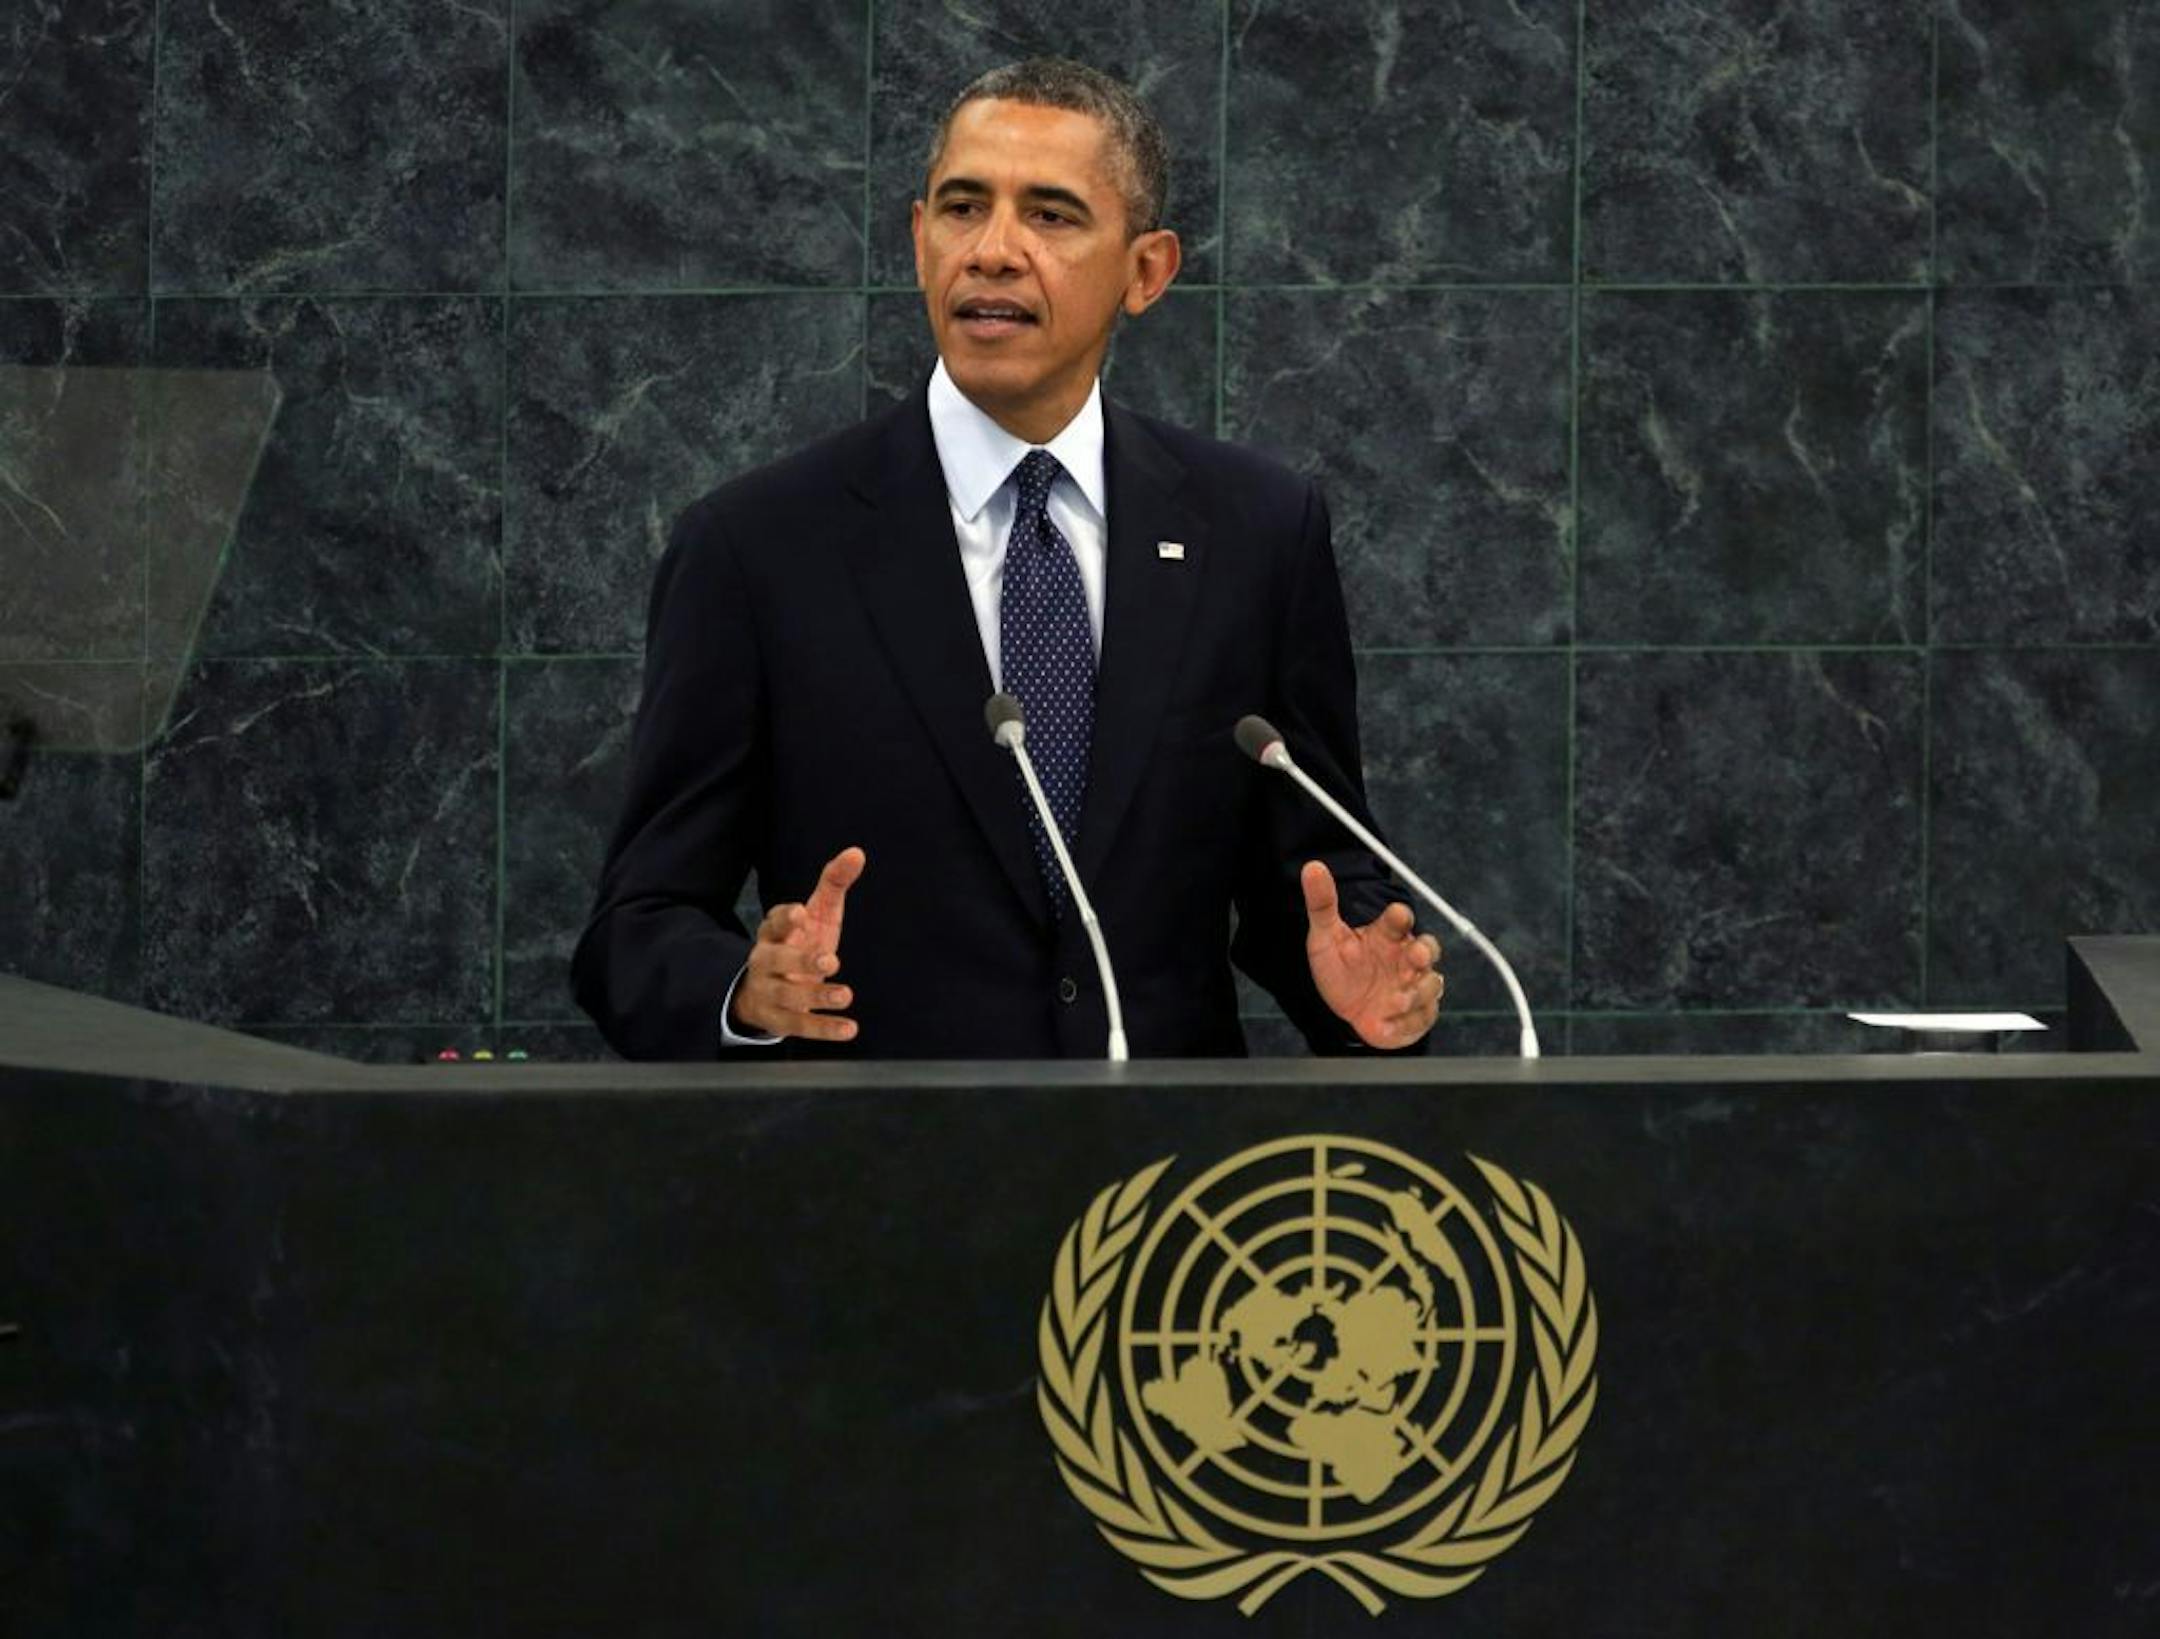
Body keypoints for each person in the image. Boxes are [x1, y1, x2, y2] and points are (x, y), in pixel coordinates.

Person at [572, 58, 1444, 1060]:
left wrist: (1361, 993)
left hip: (1163, 1187)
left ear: (1147, 270)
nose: (993, 251)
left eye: (1053, 215)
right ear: (916, 240)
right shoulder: (758, 546)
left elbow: (1317, 874)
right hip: (871, 1178)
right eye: (962, 207)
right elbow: (636, 925)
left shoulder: (1257, 530)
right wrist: (745, 989)